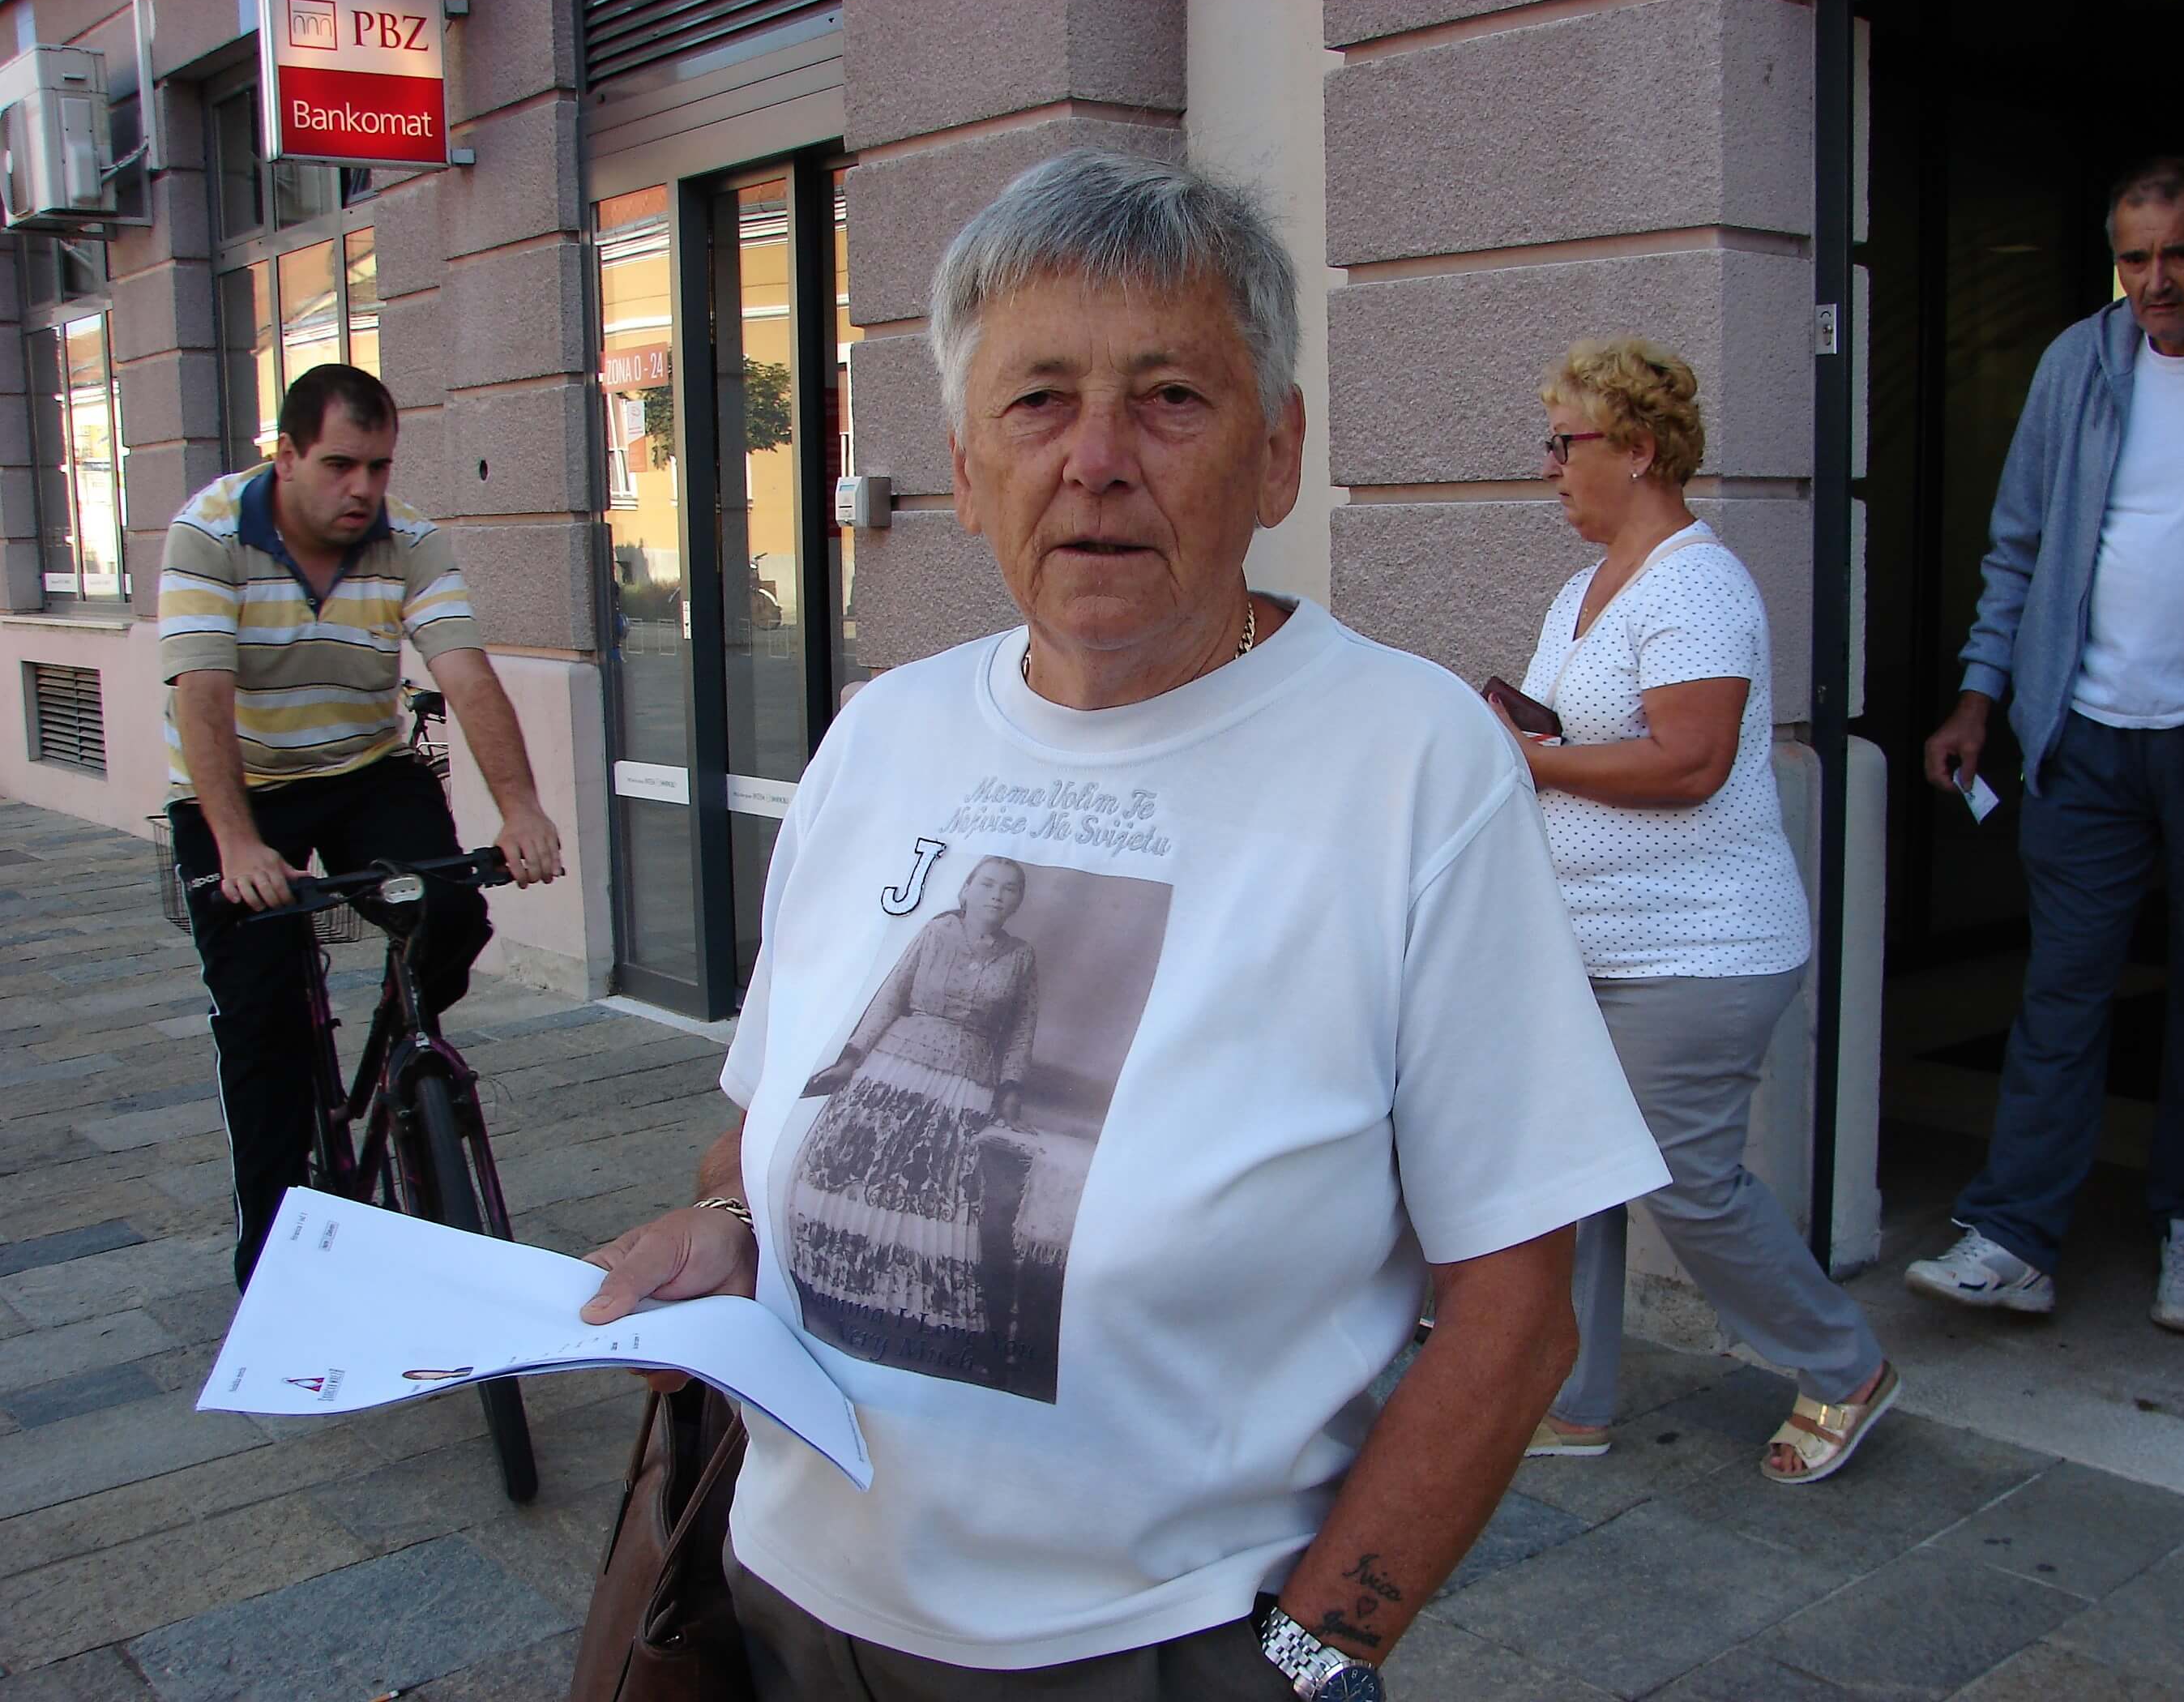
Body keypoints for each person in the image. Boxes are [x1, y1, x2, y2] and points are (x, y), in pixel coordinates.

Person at [580, 150, 1670, 1700]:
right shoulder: (881, 739)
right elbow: (771, 1116)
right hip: (777, 1604)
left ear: (1276, 454)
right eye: (1037, 402)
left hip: (1142, 1649)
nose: (1095, 460)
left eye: (1168, 398)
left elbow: (1515, 1308)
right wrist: (729, 1222)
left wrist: (1303, 1658)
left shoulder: (1413, 763)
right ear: (966, 470)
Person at [1501, 339, 1897, 1486]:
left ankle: (1844, 1366)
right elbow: (1569, 737)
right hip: (1591, 942)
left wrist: (1530, 761)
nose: (1548, 468)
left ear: (1636, 448)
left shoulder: (1697, 584)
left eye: (1564, 443)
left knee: (1685, 1179)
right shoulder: (1583, 591)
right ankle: (1569, 1397)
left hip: (1697, 947)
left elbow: (1690, 762)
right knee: (1573, 1168)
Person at [1913, 156, 2184, 1336]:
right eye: (2133, 258)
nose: (2153, 281)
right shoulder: (2078, 362)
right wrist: (1979, 697)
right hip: (2081, 733)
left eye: (2178, 254)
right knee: (2061, 992)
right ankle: (2014, 1237)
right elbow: (2016, 545)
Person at [160, 364, 563, 1291]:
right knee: (261, 1029)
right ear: (286, 456)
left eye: (379, 467)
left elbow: (465, 675)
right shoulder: (209, 533)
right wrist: (237, 844)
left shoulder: (409, 540)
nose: (363, 489)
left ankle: (399, 1048)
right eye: (340, 465)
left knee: (451, 914)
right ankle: (270, 1276)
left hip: (361, 770)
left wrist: (521, 809)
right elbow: (202, 695)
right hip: (240, 785)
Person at [789, 856, 1041, 1387]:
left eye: (1009, 889)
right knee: (857, 1177)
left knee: (932, 1196)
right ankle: (834, 1296)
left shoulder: (1021, 957)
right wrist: (850, 1060)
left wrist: (1010, 1095)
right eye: (987, 884)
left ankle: (907, 1317)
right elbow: (891, 996)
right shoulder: (936, 932)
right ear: (966, 889)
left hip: (966, 1083)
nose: (997, 895)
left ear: (1018, 902)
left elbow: (1021, 1030)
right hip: (893, 1068)